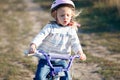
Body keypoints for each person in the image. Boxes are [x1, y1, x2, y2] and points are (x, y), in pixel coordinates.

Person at [29, 0, 86, 80]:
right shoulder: (50, 27)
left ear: (71, 16)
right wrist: (33, 45)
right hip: (46, 59)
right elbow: (40, 36)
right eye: (62, 15)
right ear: (56, 16)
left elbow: (75, 43)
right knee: (40, 77)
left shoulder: (71, 30)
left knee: (67, 78)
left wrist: (80, 53)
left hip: (62, 59)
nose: (65, 17)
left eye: (68, 15)